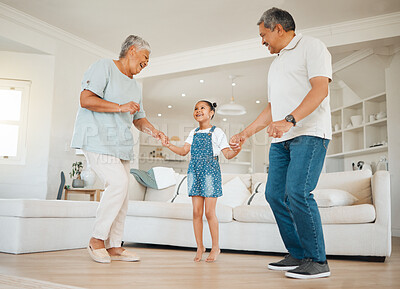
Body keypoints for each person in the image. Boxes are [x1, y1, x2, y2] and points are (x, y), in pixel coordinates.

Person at [230, 8, 332, 279]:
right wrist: (245, 133)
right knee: (274, 194)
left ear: (278, 28)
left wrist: (290, 119)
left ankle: (318, 261)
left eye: (264, 34)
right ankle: (298, 254)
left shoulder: (312, 46)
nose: (262, 41)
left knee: (298, 192)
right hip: (282, 139)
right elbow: (272, 107)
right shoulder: (276, 64)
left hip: (309, 133)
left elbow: (320, 88)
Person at [71, 35, 168, 264]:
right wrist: (120, 107)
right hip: (96, 139)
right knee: (118, 184)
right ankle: (96, 240)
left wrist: (155, 132)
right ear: (132, 50)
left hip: (121, 145)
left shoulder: (136, 85)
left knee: (123, 194)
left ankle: (115, 245)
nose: (146, 64)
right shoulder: (104, 66)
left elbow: (138, 118)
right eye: (145, 58)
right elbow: (85, 99)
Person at [162, 100, 241, 262]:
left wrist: (237, 150)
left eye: (202, 108)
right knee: (196, 212)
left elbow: (227, 154)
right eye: (196, 108)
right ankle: (200, 247)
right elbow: (184, 151)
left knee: (209, 212)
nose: (198, 110)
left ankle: (216, 247)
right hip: (194, 171)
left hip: (210, 172)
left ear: (211, 113)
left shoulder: (217, 132)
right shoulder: (194, 132)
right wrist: (168, 144)